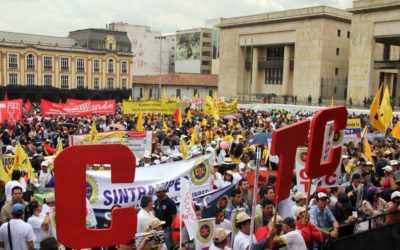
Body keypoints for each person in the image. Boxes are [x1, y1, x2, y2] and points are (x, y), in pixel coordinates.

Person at [153, 184, 177, 250]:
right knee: (160, 247)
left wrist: (173, 230)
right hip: (158, 229)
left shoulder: (170, 202)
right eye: (156, 193)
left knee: (167, 246)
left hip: (167, 229)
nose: (156, 194)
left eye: (158, 193)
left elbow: (174, 218)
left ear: (163, 192)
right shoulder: (156, 202)